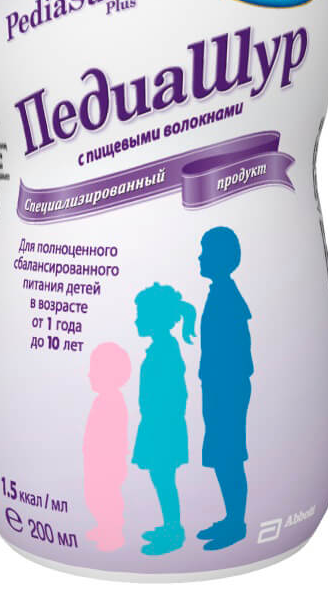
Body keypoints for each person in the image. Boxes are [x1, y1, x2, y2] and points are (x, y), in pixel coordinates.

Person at [196, 227, 253, 550]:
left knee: (229, 456)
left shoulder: (226, 298)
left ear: (220, 258)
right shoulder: (221, 293)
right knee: (223, 456)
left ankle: (236, 524)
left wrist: (221, 387)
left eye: (205, 252)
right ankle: (232, 518)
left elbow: (237, 352)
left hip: (227, 390)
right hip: (221, 388)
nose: (199, 257)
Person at [131, 282, 197, 555]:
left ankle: (174, 532)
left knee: (164, 478)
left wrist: (160, 422)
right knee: (161, 478)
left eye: (140, 314)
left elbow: (176, 393)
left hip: (163, 427)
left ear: (154, 318)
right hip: (158, 424)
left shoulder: (165, 350)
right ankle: (170, 525)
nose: (136, 320)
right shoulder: (161, 347)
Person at [82, 342, 131, 551]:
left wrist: (112, 462)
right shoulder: (102, 400)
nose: (89, 374)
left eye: (94, 370)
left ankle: (113, 534)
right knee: (94, 496)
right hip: (95, 462)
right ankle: (104, 527)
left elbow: (115, 437)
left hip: (108, 464)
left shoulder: (113, 402)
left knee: (107, 497)